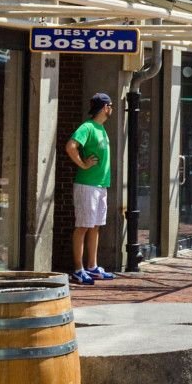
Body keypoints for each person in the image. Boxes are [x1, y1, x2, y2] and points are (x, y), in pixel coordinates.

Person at [65, 93, 117, 285]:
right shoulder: (87, 127)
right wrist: (83, 164)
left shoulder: (101, 128)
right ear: (104, 107)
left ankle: (92, 266)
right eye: (110, 105)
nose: (112, 109)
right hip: (87, 185)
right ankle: (78, 269)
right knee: (83, 227)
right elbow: (71, 146)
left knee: (95, 226)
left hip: (100, 185)